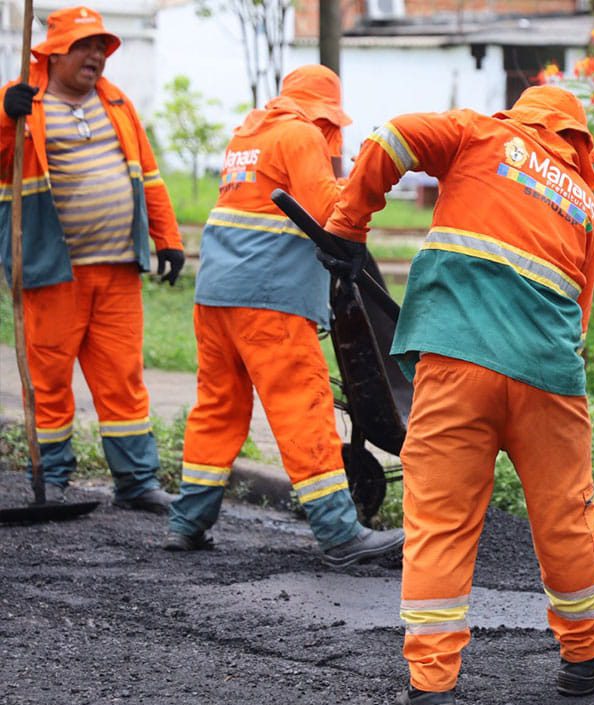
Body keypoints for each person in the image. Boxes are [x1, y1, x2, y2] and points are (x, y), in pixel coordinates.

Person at [318, 84, 594, 705]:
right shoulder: (586, 207)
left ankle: (431, 686)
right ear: (578, 145)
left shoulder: (480, 135)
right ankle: (587, 652)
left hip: (457, 360)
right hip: (548, 375)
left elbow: (395, 135)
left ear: (525, 118)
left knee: (440, 516)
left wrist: (348, 225)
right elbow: (580, 317)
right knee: (566, 514)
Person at [164, 64, 404, 570]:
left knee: (218, 408)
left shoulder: (248, 135)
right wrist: (366, 176)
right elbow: (328, 212)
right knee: (303, 408)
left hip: (216, 296)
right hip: (267, 299)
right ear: (324, 113)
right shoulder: (299, 134)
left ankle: (187, 522)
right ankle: (340, 534)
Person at [1, 6, 185, 513]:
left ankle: (136, 482)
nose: (96, 55)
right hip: (52, 270)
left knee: (122, 377)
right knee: (51, 376)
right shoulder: (21, 100)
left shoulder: (117, 102)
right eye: (84, 46)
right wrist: (4, 117)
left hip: (118, 269)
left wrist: (167, 237)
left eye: (101, 46)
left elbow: (148, 175)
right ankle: (53, 477)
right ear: (53, 51)